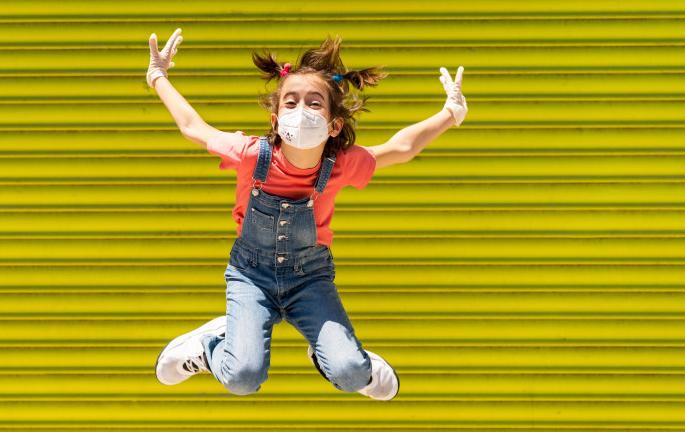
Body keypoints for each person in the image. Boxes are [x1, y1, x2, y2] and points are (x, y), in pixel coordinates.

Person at [148, 28, 467, 401]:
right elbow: (193, 128)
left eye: (314, 103)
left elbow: (402, 147)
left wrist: (451, 113)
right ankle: (209, 347)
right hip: (251, 277)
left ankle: (333, 356)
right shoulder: (251, 154)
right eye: (291, 102)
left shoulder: (342, 164)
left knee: (351, 374)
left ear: (334, 125)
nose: (301, 111)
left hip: (310, 280)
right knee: (242, 378)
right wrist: (158, 75)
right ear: (275, 120)